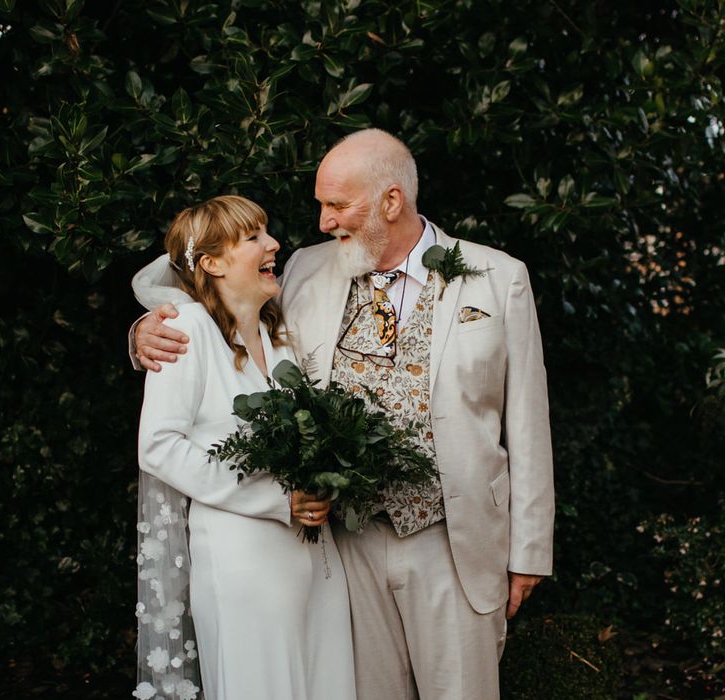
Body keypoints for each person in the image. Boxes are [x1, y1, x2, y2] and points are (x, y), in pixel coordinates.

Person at [132, 130, 555, 700]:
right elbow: (218, 311)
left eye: (337, 204)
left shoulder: (497, 277)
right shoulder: (305, 269)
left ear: (390, 201)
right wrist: (144, 335)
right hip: (343, 546)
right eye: (321, 205)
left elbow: (528, 421)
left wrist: (529, 550)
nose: (324, 221)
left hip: (451, 541)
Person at [133, 195, 356, 700]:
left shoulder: (279, 336)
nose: (274, 244)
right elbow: (159, 447)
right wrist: (279, 499)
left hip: (316, 560)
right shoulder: (186, 331)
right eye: (253, 237)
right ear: (210, 263)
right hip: (243, 563)